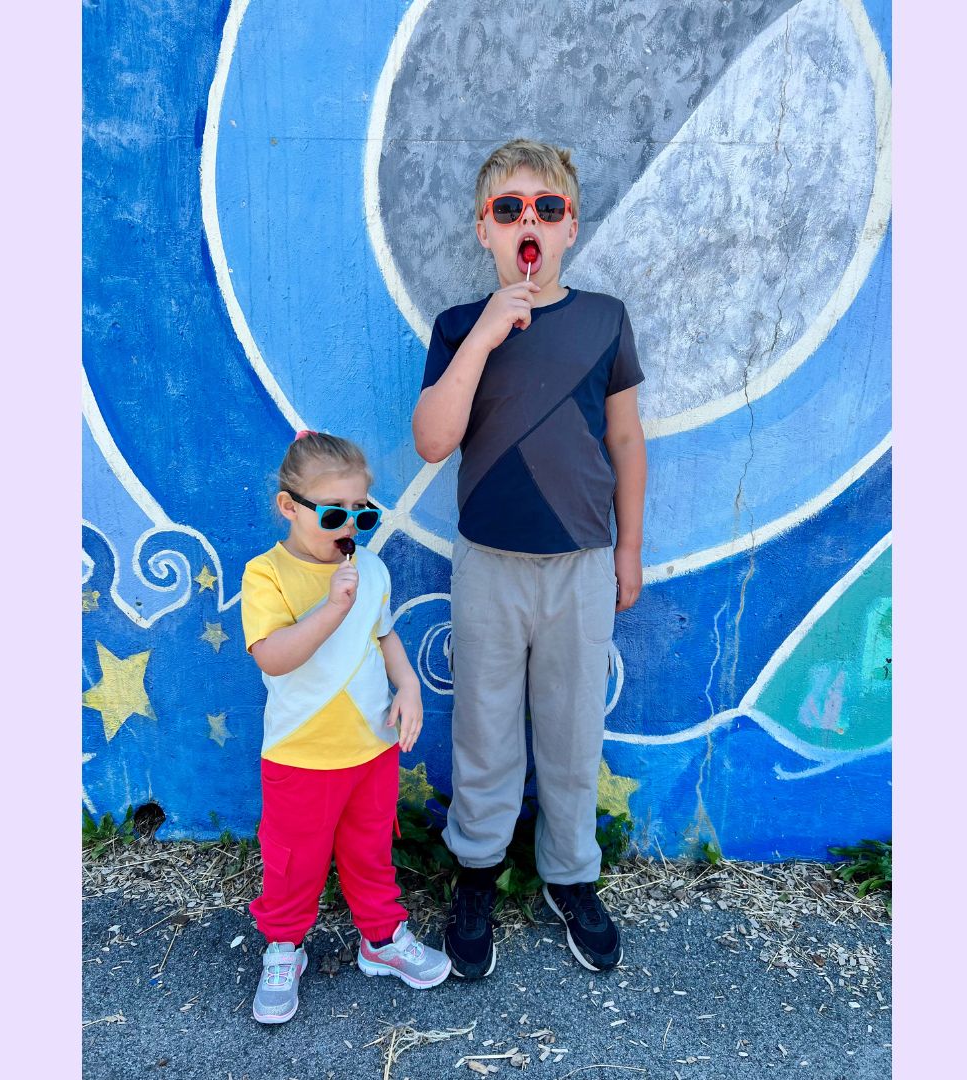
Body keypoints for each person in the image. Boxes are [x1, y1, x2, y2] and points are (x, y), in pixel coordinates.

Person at [412, 138, 647, 979]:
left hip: (582, 566)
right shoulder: (455, 328)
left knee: (573, 729)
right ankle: (477, 869)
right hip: (489, 565)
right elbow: (435, 439)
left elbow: (624, 437)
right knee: (483, 727)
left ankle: (570, 874)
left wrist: (629, 551)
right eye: (509, 209)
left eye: (546, 209)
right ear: (485, 230)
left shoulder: (604, 319)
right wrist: (485, 332)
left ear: (570, 226)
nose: (529, 222)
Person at [240, 431, 450, 1024]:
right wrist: (331, 605)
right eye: (334, 513)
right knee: (292, 861)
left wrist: (408, 686)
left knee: (369, 851)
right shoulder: (267, 575)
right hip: (300, 754)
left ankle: (381, 941)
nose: (349, 526)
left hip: (370, 749)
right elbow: (274, 655)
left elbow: (383, 635)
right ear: (289, 506)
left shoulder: (371, 569)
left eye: (362, 512)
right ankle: (284, 948)